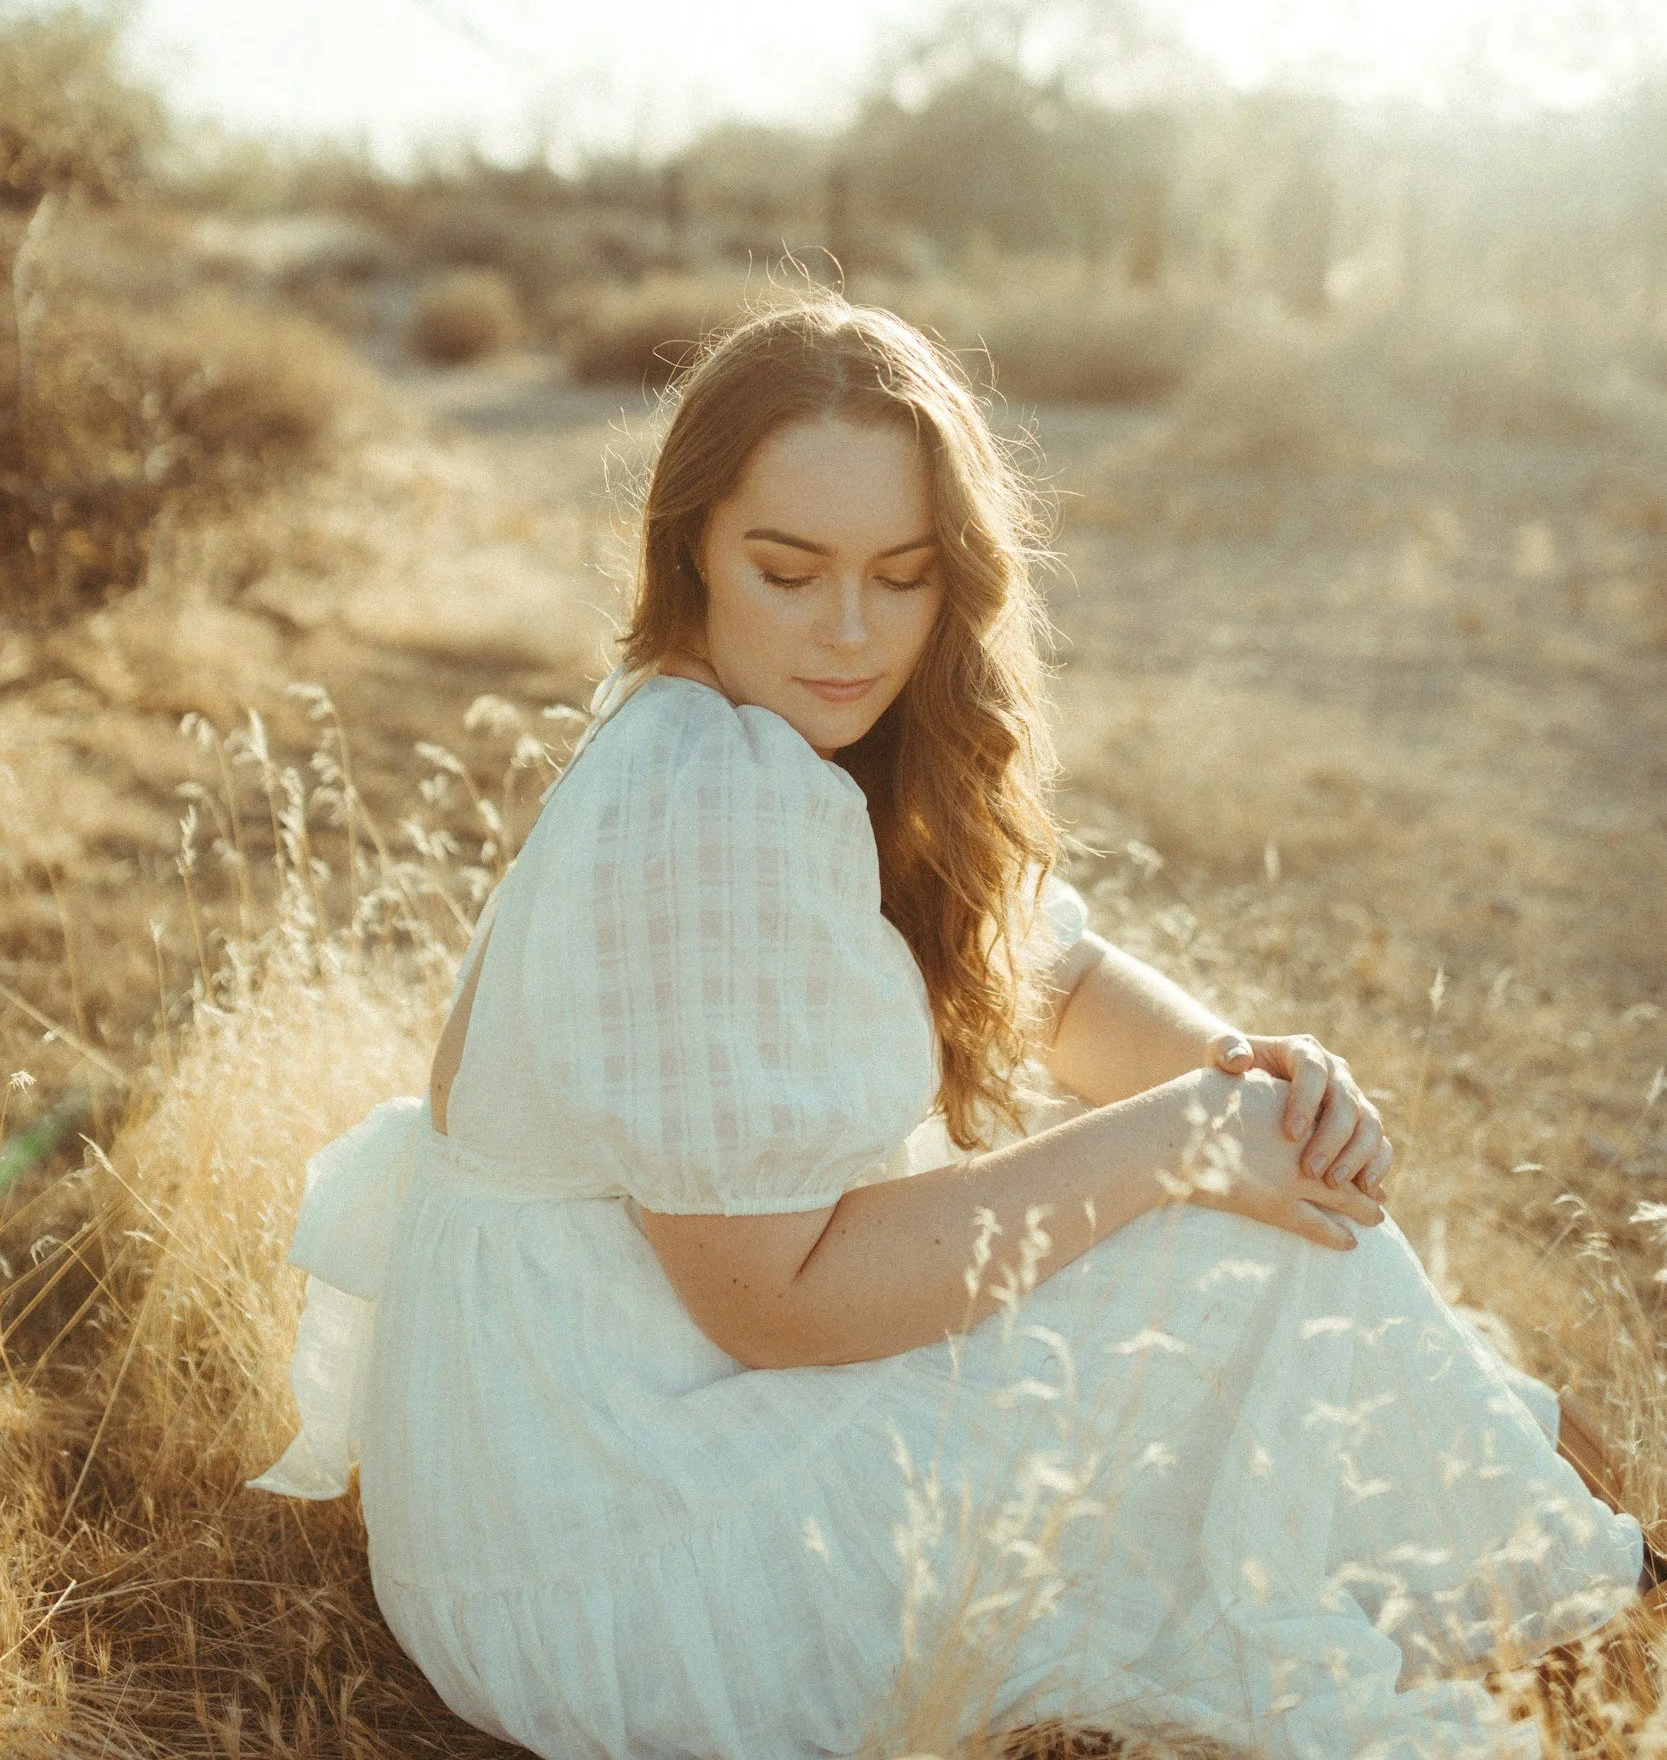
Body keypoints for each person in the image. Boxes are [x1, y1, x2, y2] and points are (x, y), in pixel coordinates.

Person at [253, 298, 1653, 1760]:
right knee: (1226, 1244)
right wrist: (1184, 1142)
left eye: (901, 577)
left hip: (615, 1463)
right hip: (617, 1557)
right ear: (690, 551)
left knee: (1265, 1203)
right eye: (786, 570)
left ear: (954, 583)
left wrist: (1260, 1081)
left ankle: (1539, 1525)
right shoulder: (695, 800)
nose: (849, 632)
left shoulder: (795, 731)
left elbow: (1041, 977)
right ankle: (1564, 1564)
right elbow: (773, 1303)